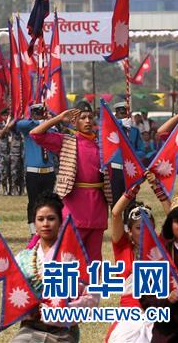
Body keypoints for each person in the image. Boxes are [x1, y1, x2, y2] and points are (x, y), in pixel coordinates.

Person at [29, 101, 111, 262]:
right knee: (69, 256)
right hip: (74, 204)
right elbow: (35, 134)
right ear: (75, 121)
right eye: (82, 117)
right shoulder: (67, 141)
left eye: (90, 117)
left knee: (94, 260)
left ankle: (92, 288)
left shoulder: (101, 144)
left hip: (98, 207)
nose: (87, 121)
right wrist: (59, 118)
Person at [11, 192, 98, 342]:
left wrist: (62, 311)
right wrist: (28, 310)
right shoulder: (23, 258)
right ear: (34, 223)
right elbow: (10, 294)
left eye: (51, 218)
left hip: (63, 330)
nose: (45, 224)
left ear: (60, 222)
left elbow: (92, 296)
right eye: (40, 219)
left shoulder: (74, 257)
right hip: (30, 327)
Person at [105, 184, 168, 343]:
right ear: (130, 231)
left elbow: (174, 216)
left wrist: (159, 191)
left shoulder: (160, 247)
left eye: (149, 227)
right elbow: (115, 213)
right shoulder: (122, 248)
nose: (145, 231)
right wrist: (129, 192)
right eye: (139, 228)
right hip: (129, 315)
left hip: (157, 313)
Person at [139, 192, 178, 341]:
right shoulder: (158, 255)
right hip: (168, 328)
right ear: (170, 224)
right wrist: (167, 299)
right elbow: (146, 298)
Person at [16, 105, 56, 235]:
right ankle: (34, 231)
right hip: (34, 172)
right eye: (36, 114)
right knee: (33, 202)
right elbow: (19, 124)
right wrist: (39, 123)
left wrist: (49, 122)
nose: (39, 115)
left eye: (41, 113)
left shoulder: (51, 128)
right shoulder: (29, 128)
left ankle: (48, 228)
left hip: (48, 172)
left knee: (48, 202)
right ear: (32, 115)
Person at [110, 102, 148, 204]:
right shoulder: (112, 129)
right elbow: (107, 124)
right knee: (115, 202)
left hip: (130, 170)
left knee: (130, 202)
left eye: (125, 114)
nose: (123, 116)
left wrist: (133, 154)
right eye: (121, 114)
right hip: (115, 170)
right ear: (116, 115)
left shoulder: (134, 131)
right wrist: (120, 123)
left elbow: (142, 150)